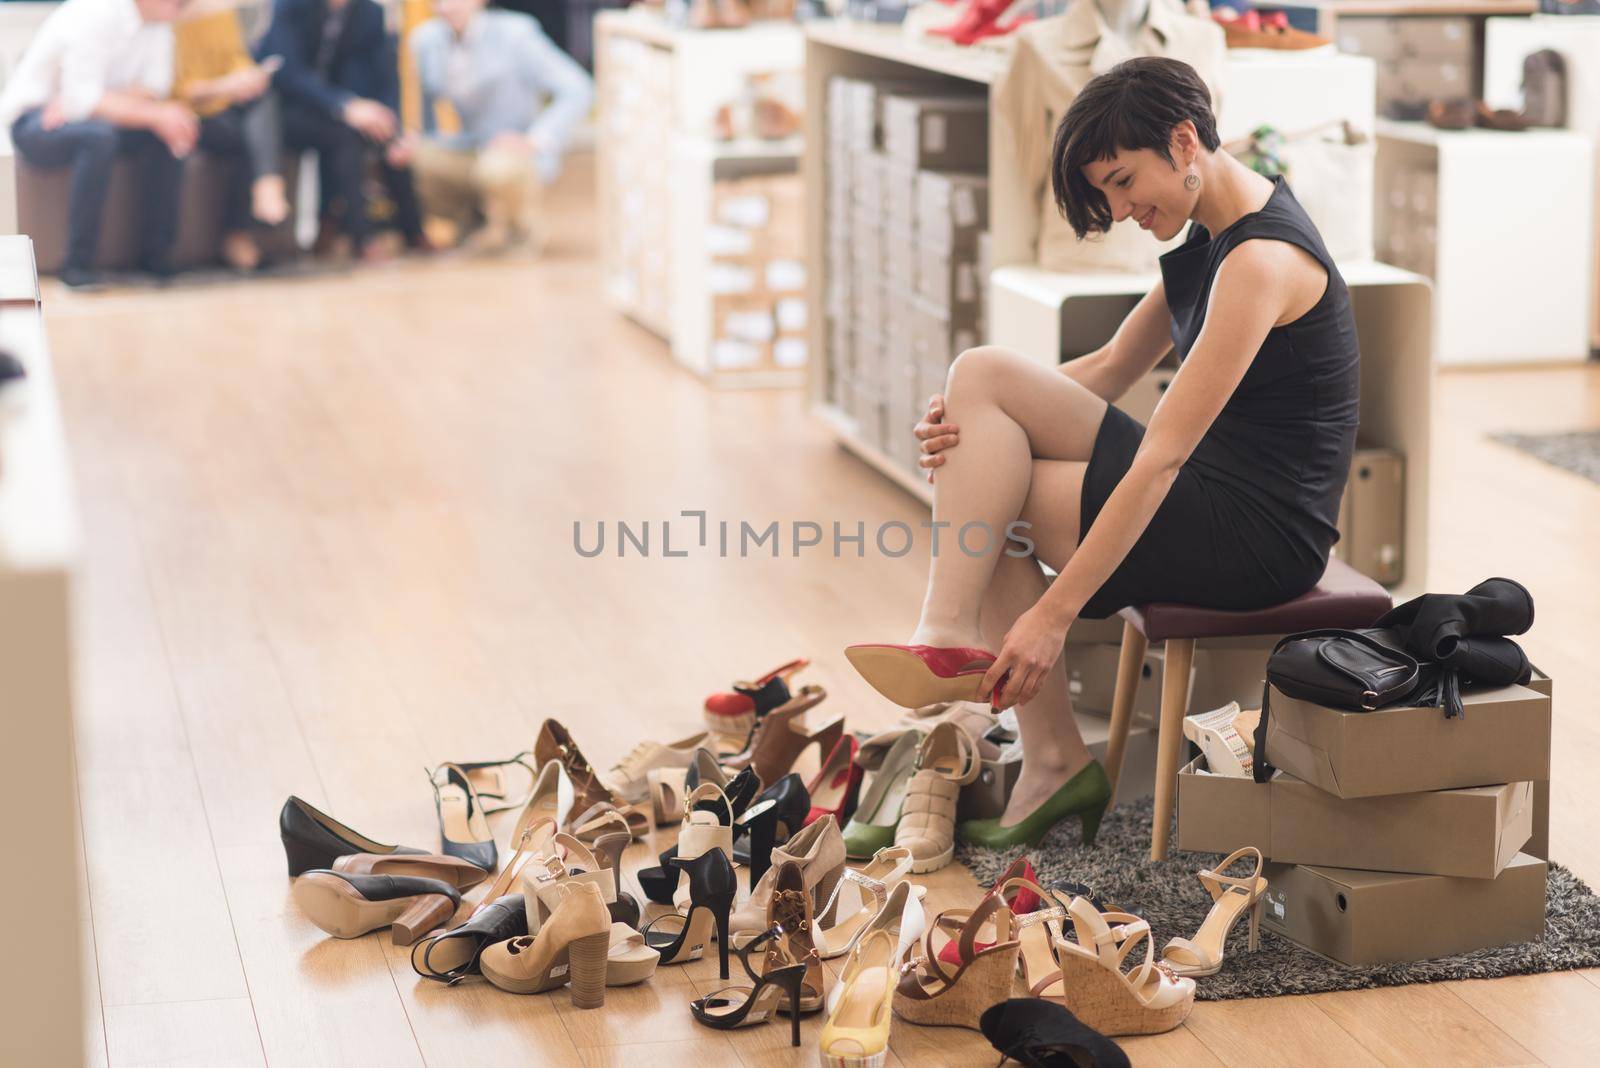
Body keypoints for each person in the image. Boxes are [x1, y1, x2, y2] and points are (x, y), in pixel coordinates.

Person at [850, 58, 1359, 849]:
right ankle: (1040, 742)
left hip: (1260, 534)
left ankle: (990, 685)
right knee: (982, 410)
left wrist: (1052, 617)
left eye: (1124, 182)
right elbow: (1111, 369)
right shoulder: (1219, 232)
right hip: (1213, 491)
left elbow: (1160, 456)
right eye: (1109, 194)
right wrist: (974, 427)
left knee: (996, 459)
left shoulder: (1260, 262)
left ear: (1184, 141)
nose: (1120, 209)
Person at [0, 0, 196, 289]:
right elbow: (83, 101)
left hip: (93, 118)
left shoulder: (161, 26)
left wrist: (98, 101)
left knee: (167, 131)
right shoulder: (95, 13)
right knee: (98, 136)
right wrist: (92, 103)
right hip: (36, 120)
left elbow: (154, 90)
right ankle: (77, 266)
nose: (185, 6)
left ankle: (155, 260)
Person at [407, 0, 594, 253]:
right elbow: (428, 102)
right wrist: (423, 138)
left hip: (515, 151)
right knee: (417, 159)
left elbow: (577, 88)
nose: (447, 6)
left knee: (499, 168)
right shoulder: (426, 41)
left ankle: (521, 230)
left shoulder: (516, 34)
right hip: (469, 145)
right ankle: (471, 221)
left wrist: (536, 138)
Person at [255, 0, 429, 260]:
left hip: (336, 106)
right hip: (285, 107)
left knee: (378, 133)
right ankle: (360, 238)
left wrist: (393, 123)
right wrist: (345, 105)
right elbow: (287, 71)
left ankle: (412, 233)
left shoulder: (370, 12)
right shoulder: (289, 5)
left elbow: (386, 74)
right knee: (346, 132)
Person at [173, 0, 291, 271]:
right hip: (190, 111)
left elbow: (236, 57)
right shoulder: (162, 16)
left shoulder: (220, 10)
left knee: (264, 100)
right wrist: (226, 85)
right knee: (249, 135)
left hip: (226, 104)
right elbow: (176, 88)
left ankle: (267, 185)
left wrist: (246, 77)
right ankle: (245, 222)